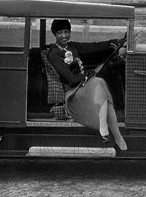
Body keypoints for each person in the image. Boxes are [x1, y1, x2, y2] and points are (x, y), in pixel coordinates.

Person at [48, 19, 127, 151]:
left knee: (101, 89)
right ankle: (110, 132)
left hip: (83, 85)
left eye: (66, 32)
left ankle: (115, 135)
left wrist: (116, 42)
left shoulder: (72, 47)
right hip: (72, 93)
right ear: (54, 34)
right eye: (60, 32)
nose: (64, 36)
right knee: (99, 82)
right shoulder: (54, 54)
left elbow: (94, 46)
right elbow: (70, 78)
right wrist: (87, 75)